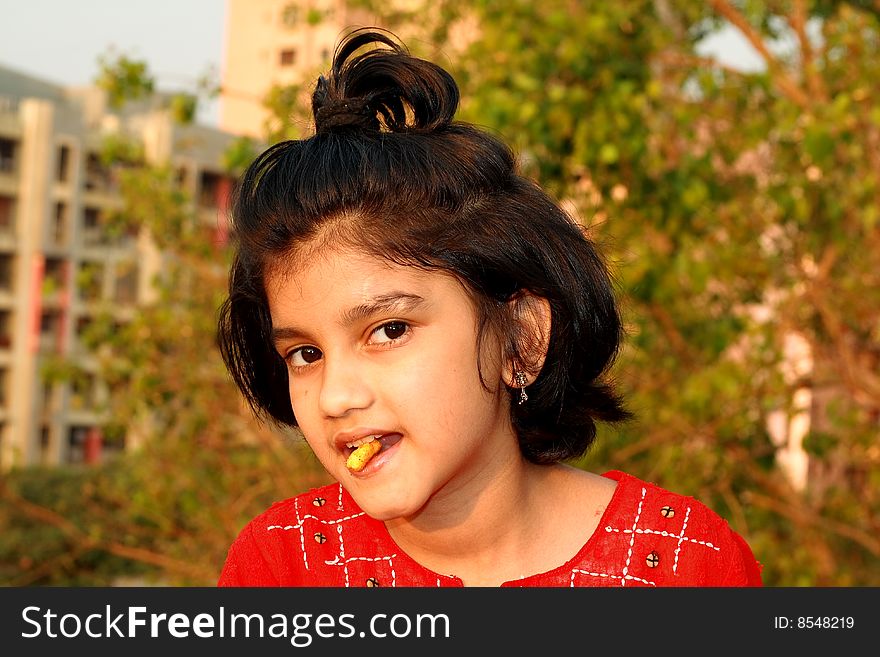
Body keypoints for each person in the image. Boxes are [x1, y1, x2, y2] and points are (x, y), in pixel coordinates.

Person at [215, 28, 763, 587]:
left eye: (389, 330)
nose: (335, 397)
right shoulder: (282, 568)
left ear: (521, 337)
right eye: (305, 353)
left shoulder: (687, 564)